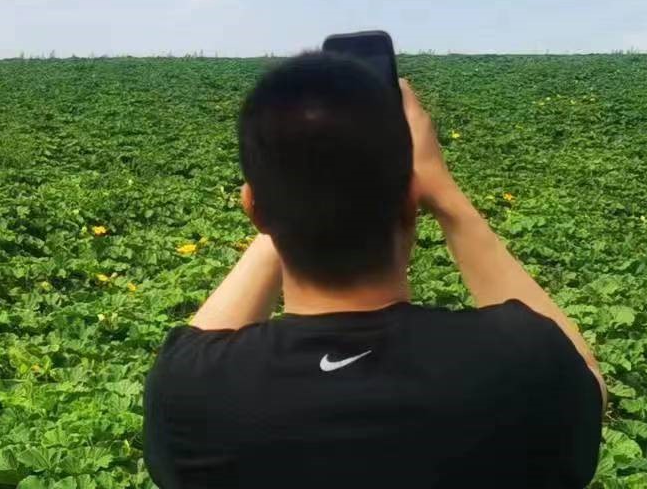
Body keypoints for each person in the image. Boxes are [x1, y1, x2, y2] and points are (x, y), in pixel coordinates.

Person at [143, 51, 606, 488]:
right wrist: (443, 190)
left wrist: (290, 191)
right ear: (411, 199)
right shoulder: (523, 367)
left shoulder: (191, 393)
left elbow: (195, 346)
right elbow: (586, 379)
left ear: (254, 209)